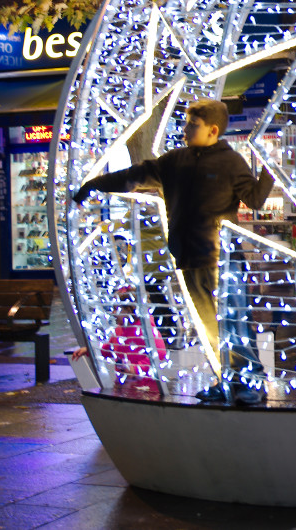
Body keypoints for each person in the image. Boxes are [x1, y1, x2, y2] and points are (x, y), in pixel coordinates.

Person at [73, 98, 273, 405]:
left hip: (223, 256)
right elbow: (134, 175)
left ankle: (250, 383)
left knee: (233, 323)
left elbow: (256, 199)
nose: (186, 129)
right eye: (187, 122)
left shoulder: (229, 161)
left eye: (193, 124)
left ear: (213, 130)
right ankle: (226, 382)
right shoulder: (175, 161)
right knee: (211, 328)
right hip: (190, 256)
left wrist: (270, 170)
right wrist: (95, 184)